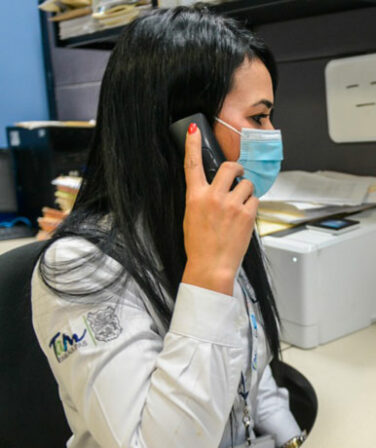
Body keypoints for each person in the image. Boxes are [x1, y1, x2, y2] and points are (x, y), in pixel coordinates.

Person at [30, 6, 306, 448]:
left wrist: (291, 439)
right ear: (190, 131)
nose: (273, 134)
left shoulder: (212, 227)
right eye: (258, 118)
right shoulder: (80, 268)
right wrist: (209, 275)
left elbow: (251, 371)